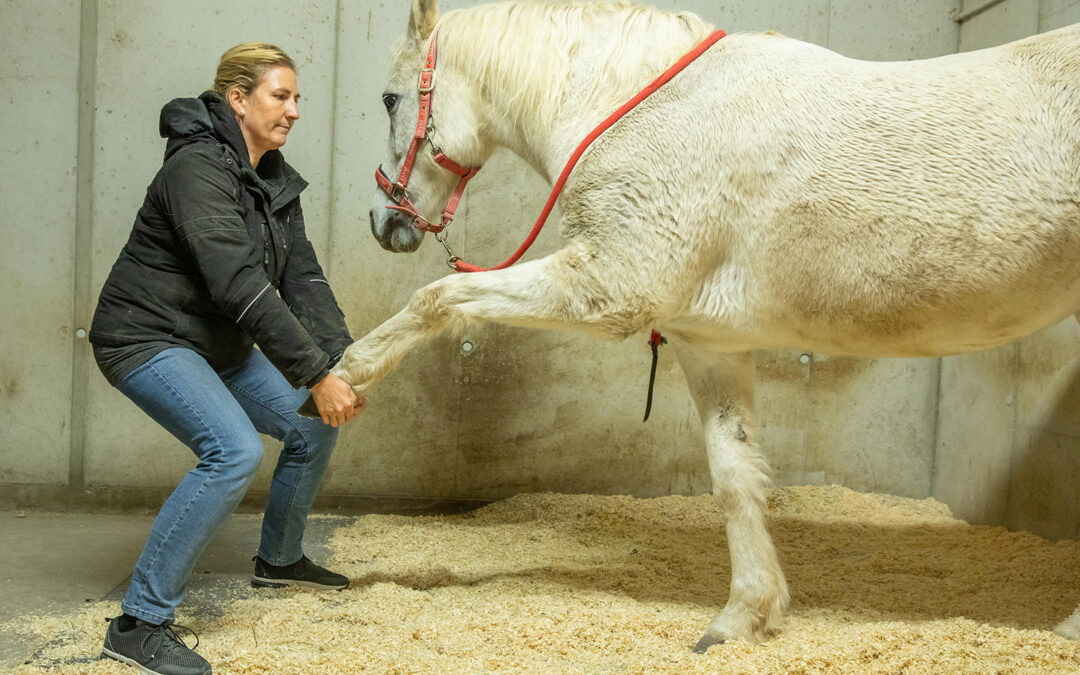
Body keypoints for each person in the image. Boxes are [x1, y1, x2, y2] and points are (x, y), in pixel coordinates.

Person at [88, 42, 362, 675]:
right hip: (147, 337)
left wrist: (344, 364)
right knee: (232, 450)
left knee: (312, 421)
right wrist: (313, 373)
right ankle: (138, 624)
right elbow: (237, 281)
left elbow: (303, 277)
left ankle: (279, 560)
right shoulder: (196, 168)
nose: (294, 110)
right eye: (280, 95)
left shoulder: (270, 173)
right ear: (237, 99)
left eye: (298, 98)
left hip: (217, 343)